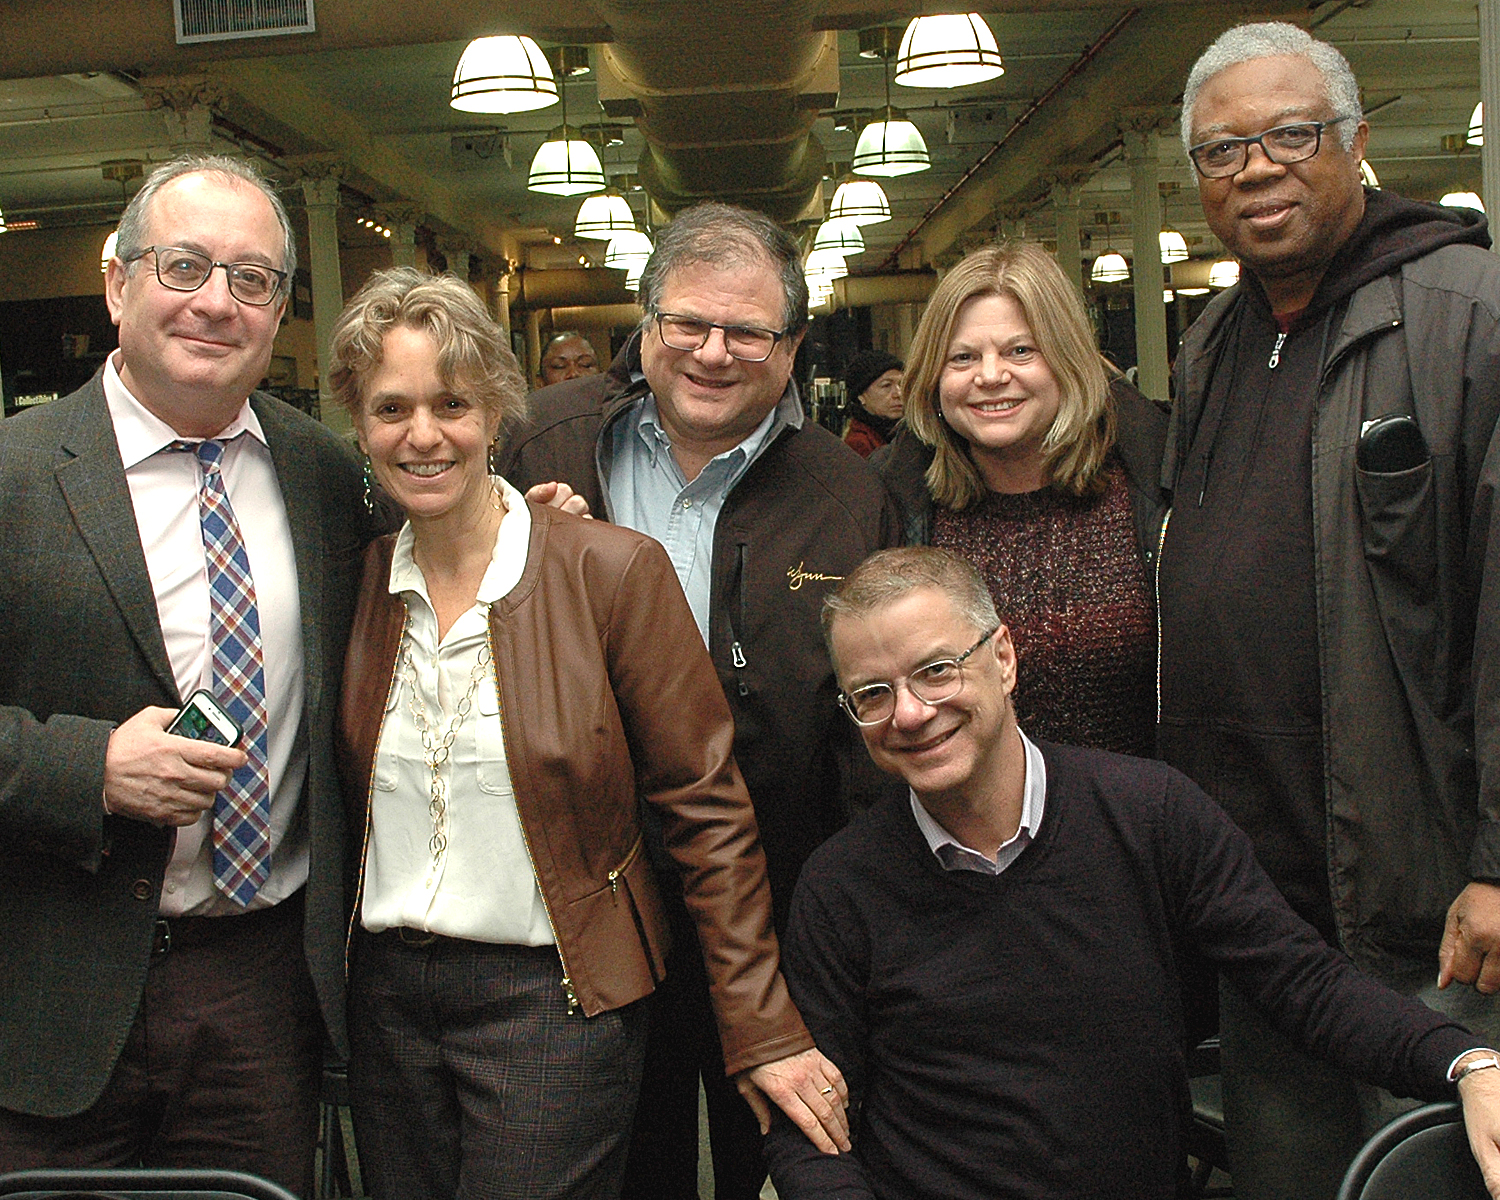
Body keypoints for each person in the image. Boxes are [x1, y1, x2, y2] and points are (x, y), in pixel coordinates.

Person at [328, 268, 848, 1200]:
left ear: (495, 411)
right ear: (358, 428)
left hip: (552, 1006)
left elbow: (708, 807)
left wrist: (759, 1022)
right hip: (389, 1011)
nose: (422, 434)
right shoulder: (363, 583)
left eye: (451, 402)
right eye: (390, 407)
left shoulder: (607, 571)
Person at [762, 545, 1500, 1200]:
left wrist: (1465, 1063)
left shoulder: (1149, 814)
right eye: (873, 695)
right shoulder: (840, 886)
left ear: (1005, 658)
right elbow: (812, 1127)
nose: (911, 714)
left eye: (935, 671)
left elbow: (1301, 981)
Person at [497, 201, 900, 1200]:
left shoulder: (849, 496)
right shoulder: (539, 449)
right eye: (688, 323)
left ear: (795, 345)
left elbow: (867, 736)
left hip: (776, 910)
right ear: (647, 322)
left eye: (748, 331)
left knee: (786, 1158)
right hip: (573, 915)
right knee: (619, 1167)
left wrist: (857, 931)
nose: (714, 352)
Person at [0, 155, 386, 1195]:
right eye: (184, 266)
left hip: (263, 991)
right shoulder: (14, 473)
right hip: (51, 995)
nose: (216, 301)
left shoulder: (327, 478)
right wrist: (84, 768)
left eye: (251, 278)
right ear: (117, 280)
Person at [1161, 21, 1500, 1198]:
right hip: (1263, 903)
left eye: (1290, 135)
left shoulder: (1468, 315)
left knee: (1435, 1174)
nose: (1255, 168)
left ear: (1354, 141)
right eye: (1221, 150)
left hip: (1423, 902)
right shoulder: (1216, 338)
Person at [876, 242, 1168, 758]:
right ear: (934, 380)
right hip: (964, 827)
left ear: (1066, 362)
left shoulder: (1158, 480)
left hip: (1139, 822)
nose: (990, 376)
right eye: (963, 357)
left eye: (1020, 351)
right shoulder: (892, 504)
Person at [840, 349, 903, 457]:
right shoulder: (859, 444)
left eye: (902, 384)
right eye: (886, 385)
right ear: (861, 396)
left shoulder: (906, 433)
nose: (898, 393)